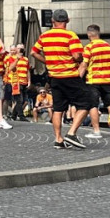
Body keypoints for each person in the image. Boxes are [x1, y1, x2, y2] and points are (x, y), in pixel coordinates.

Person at [30, 10, 90, 150]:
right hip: (70, 76)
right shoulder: (70, 35)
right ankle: (71, 133)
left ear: (52, 20)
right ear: (67, 20)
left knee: (58, 109)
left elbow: (33, 52)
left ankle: (58, 139)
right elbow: (76, 56)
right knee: (86, 103)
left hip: (54, 77)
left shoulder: (45, 36)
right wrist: (80, 59)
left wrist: (47, 61)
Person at [82, 25, 110, 139]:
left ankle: (96, 131)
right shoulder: (108, 46)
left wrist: (78, 78)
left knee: (93, 105)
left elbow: (84, 64)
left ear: (89, 35)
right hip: (108, 79)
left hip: (94, 80)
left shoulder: (89, 47)